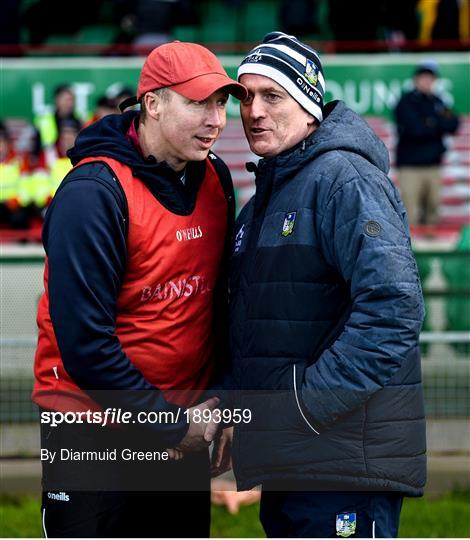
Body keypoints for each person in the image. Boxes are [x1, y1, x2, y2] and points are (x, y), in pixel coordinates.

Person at [32, 41, 247, 537]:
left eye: (222, 103)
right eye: (198, 102)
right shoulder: (94, 194)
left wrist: (220, 402)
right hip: (93, 432)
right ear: (152, 103)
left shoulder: (215, 177)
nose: (215, 119)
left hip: (184, 426)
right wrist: (170, 424)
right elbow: (85, 346)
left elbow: (216, 307)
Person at [222, 32, 426, 538]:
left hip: (341, 467)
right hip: (296, 461)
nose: (255, 111)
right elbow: (263, 329)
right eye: (245, 97)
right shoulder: (265, 198)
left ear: (310, 106)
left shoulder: (344, 178)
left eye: (273, 96)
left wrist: (301, 406)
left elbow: (395, 309)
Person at [394, 60, 459, 225]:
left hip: (433, 166)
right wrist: (437, 124)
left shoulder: (438, 101)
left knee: (433, 214)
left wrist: (430, 122)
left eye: (431, 79)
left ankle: (432, 251)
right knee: (411, 216)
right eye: (424, 78)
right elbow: (414, 129)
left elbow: (454, 124)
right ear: (416, 80)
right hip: (410, 167)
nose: (428, 82)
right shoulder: (405, 101)